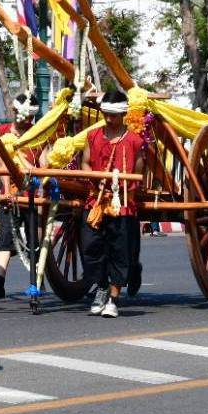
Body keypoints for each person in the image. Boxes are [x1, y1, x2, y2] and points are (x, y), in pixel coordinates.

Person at [79, 89, 146, 319]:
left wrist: (120, 189)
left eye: (113, 115)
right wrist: (97, 182)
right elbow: (86, 163)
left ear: (124, 115)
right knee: (90, 247)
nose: (109, 119)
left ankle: (114, 298)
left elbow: (138, 173)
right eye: (105, 114)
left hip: (122, 203)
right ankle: (101, 287)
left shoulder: (135, 141)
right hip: (95, 202)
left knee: (120, 251)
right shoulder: (93, 136)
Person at [0, 93, 40, 299]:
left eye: (29, 117)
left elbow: (45, 164)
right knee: (6, 235)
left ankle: (38, 280)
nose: (24, 120)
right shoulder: (1, 133)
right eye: (21, 115)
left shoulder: (39, 134)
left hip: (33, 192)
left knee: (34, 240)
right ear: (14, 112)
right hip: (7, 194)